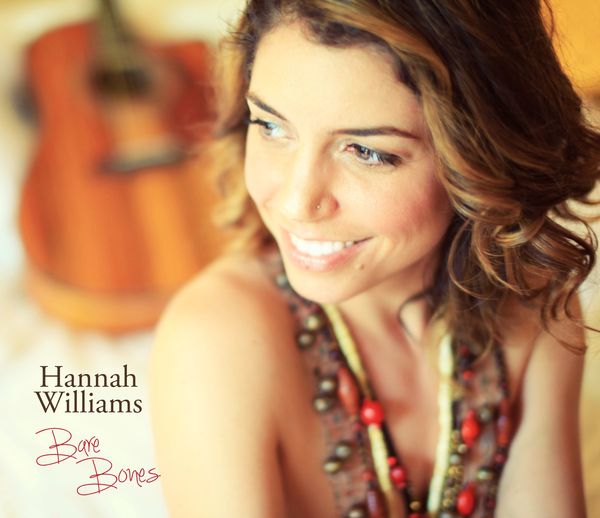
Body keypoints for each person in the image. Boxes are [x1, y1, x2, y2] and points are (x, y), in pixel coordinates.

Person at [149, 1, 600, 517]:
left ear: (480, 157)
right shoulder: (217, 338)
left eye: (366, 152)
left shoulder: (534, 309)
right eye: (271, 126)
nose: (296, 202)